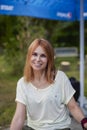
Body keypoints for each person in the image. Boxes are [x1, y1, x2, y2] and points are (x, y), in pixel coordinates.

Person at [10, 38, 87, 130]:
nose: (38, 59)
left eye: (43, 56)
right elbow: (19, 117)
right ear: (29, 56)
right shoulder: (22, 83)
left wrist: (85, 122)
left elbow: (73, 107)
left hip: (59, 128)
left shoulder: (61, 78)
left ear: (49, 59)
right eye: (34, 54)